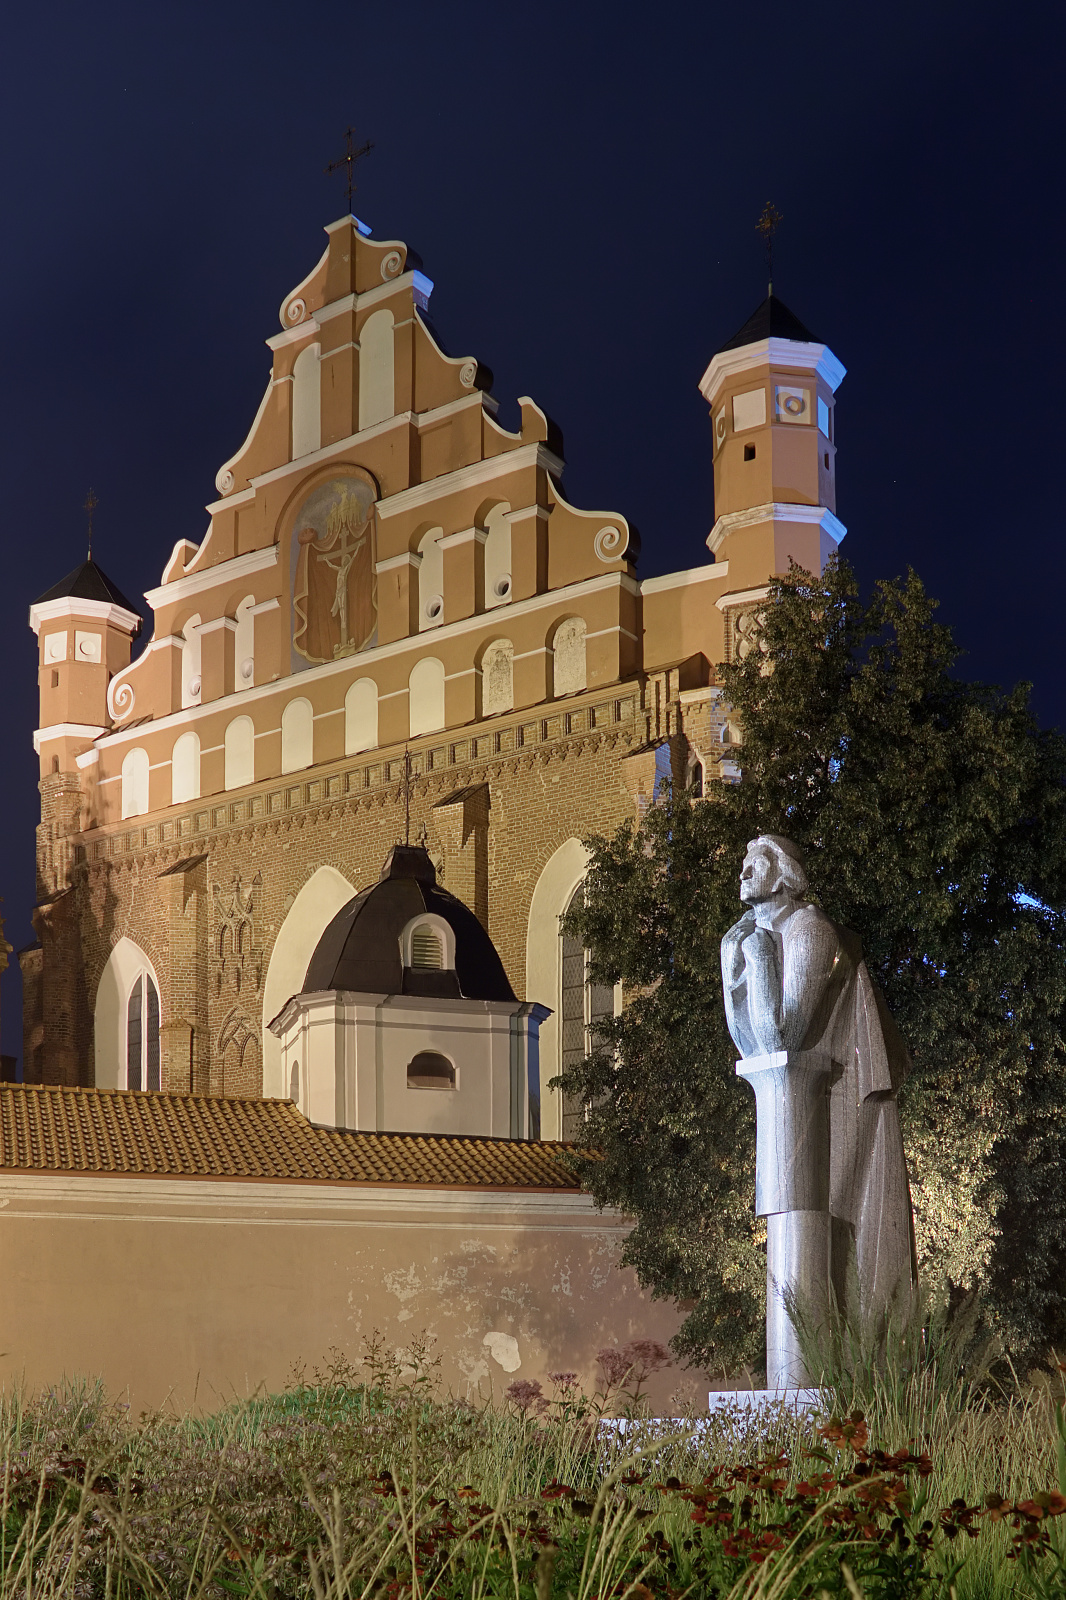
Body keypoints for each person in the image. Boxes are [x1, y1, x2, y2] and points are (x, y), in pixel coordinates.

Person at [721, 835, 917, 1318]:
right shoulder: (755, 933)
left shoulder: (810, 931)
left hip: (837, 1102)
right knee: (799, 1231)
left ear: (786, 874)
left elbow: (783, 1033)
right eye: (744, 864)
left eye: (757, 863)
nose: (743, 872)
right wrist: (735, 961)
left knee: (833, 1244)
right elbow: (749, 1046)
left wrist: (758, 956)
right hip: (790, 1103)